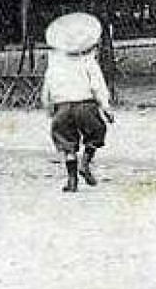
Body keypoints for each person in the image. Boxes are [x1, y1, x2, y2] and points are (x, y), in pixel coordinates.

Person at [41, 12, 114, 192]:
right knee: (96, 133)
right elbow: (98, 86)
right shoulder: (89, 62)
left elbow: (47, 88)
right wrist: (105, 106)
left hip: (63, 107)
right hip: (85, 105)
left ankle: (71, 179)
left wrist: (49, 108)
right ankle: (85, 163)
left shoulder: (56, 64)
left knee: (67, 143)